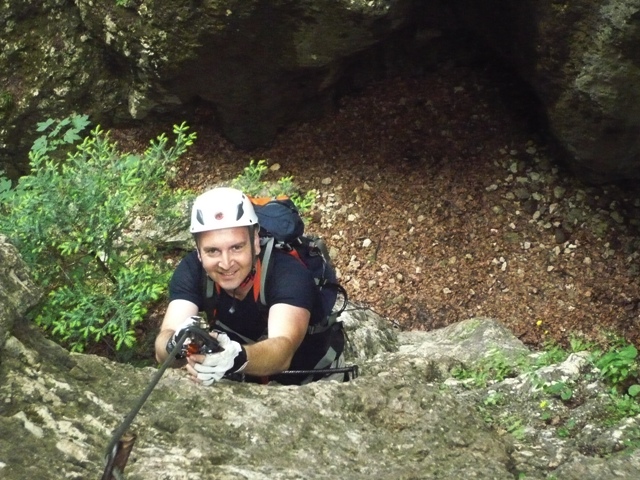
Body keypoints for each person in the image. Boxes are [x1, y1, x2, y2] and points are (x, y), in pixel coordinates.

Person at [155, 187, 345, 385]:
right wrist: (177, 344)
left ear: (255, 242)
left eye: (236, 247)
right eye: (213, 251)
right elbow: (164, 343)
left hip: (311, 381)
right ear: (199, 252)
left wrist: (235, 357)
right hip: (241, 376)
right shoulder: (192, 269)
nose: (226, 263)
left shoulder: (288, 273)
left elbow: (283, 350)